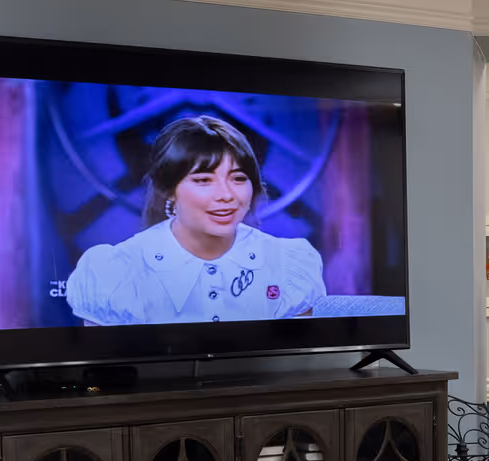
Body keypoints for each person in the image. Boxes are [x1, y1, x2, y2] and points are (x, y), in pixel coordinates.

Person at [65, 114, 326, 326]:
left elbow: (297, 364)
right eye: (203, 180)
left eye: (238, 178)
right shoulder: (117, 271)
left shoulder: (288, 263)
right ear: (169, 189)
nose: (226, 195)